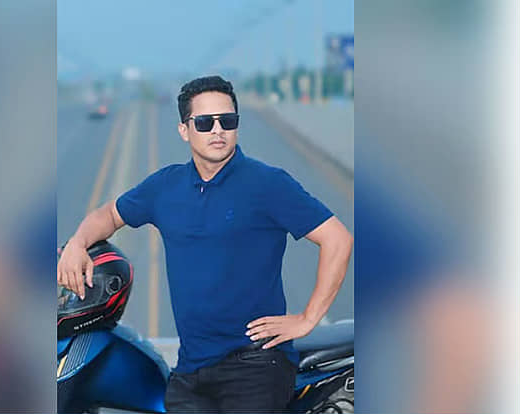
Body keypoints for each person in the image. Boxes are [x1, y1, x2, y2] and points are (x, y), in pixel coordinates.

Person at [57, 75, 353, 412]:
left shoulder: (268, 184)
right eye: (205, 122)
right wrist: (77, 243)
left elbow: (337, 239)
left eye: (227, 121)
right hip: (191, 371)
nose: (218, 130)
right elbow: (109, 215)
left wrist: (308, 318)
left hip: (256, 366)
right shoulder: (165, 186)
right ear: (184, 130)